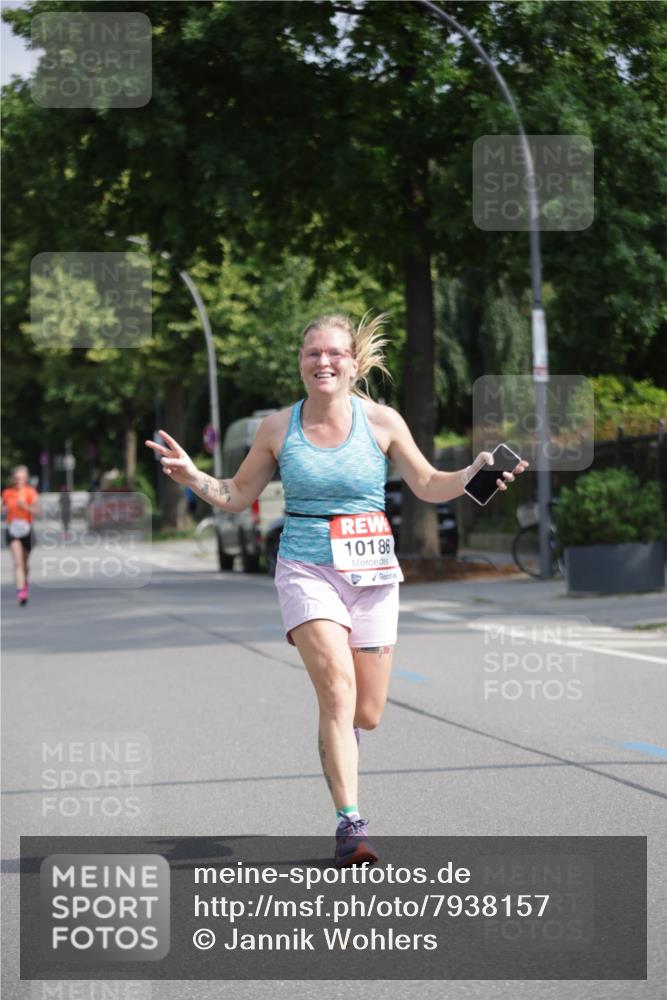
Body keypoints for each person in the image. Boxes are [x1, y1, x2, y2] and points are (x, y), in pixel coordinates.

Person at [145, 312, 529, 866]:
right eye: (312, 353)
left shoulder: (382, 422)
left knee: (365, 714)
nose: (323, 361)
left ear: (353, 363)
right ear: (300, 363)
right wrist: (193, 477)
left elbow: (427, 483)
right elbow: (237, 493)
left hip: (373, 576)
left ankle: (340, 743)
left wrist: (472, 475)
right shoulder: (277, 429)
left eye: (334, 353)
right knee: (336, 692)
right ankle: (351, 824)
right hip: (306, 569)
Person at [2, 464, 42, 605]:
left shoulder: (30, 492)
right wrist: (3, 509)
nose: (18, 481)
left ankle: (25, 583)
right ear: (12, 479)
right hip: (12, 530)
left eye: (21, 478)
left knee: (24, 563)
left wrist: (26, 507)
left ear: (25, 479)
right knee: (18, 562)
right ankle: (21, 592)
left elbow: (38, 512)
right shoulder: (7, 493)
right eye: (16, 478)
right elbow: (2, 507)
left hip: (27, 530)